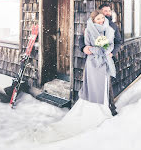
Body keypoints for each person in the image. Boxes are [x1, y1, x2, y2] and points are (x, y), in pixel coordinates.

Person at [29, 10, 116, 144]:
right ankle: (94, 109)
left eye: (103, 18)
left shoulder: (110, 29)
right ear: (93, 20)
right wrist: (93, 50)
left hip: (104, 64)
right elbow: (87, 47)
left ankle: (104, 108)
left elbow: (112, 45)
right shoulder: (88, 30)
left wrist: (107, 51)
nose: (101, 20)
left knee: (103, 85)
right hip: (93, 64)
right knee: (93, 86)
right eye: (98, 19)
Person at [79, 3, 122, 116]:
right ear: (100, 13)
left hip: (107, 59)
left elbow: (118, 42)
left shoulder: (112, 26)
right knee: (91, 84)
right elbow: (81, 39)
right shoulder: (90, 26)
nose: (108, 13)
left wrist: (112, 53)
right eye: (105, 11)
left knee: (107, 86)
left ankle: (110, 108)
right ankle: (92, 110)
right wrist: (84, 48)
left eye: (109, 11)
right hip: (93, 60)